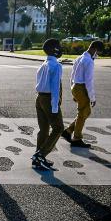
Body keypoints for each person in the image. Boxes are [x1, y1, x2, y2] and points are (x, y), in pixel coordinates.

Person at [32, 38, 66, 171]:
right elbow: (55, 87)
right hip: (49, 99)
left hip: (39, 98)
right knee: (58, 127)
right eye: (58, 46)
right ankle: (41, 154)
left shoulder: (44, 64)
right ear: (53, 49)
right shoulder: (56, 66)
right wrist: (55, 105)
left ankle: (37, 158)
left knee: (44, 129)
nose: (60, 48)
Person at [62, 40, 102, 149]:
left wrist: (72, 90)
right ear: (95, 49)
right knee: (82, 113)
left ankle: (69, 131)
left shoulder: (79, 58)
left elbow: (72, 75)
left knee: (86, 112)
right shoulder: (89, 61)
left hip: (76, 86)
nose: (97, 56)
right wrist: (92, 97)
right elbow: (89, 81)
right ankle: (77, 138)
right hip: (82, 87)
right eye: (97, 53)